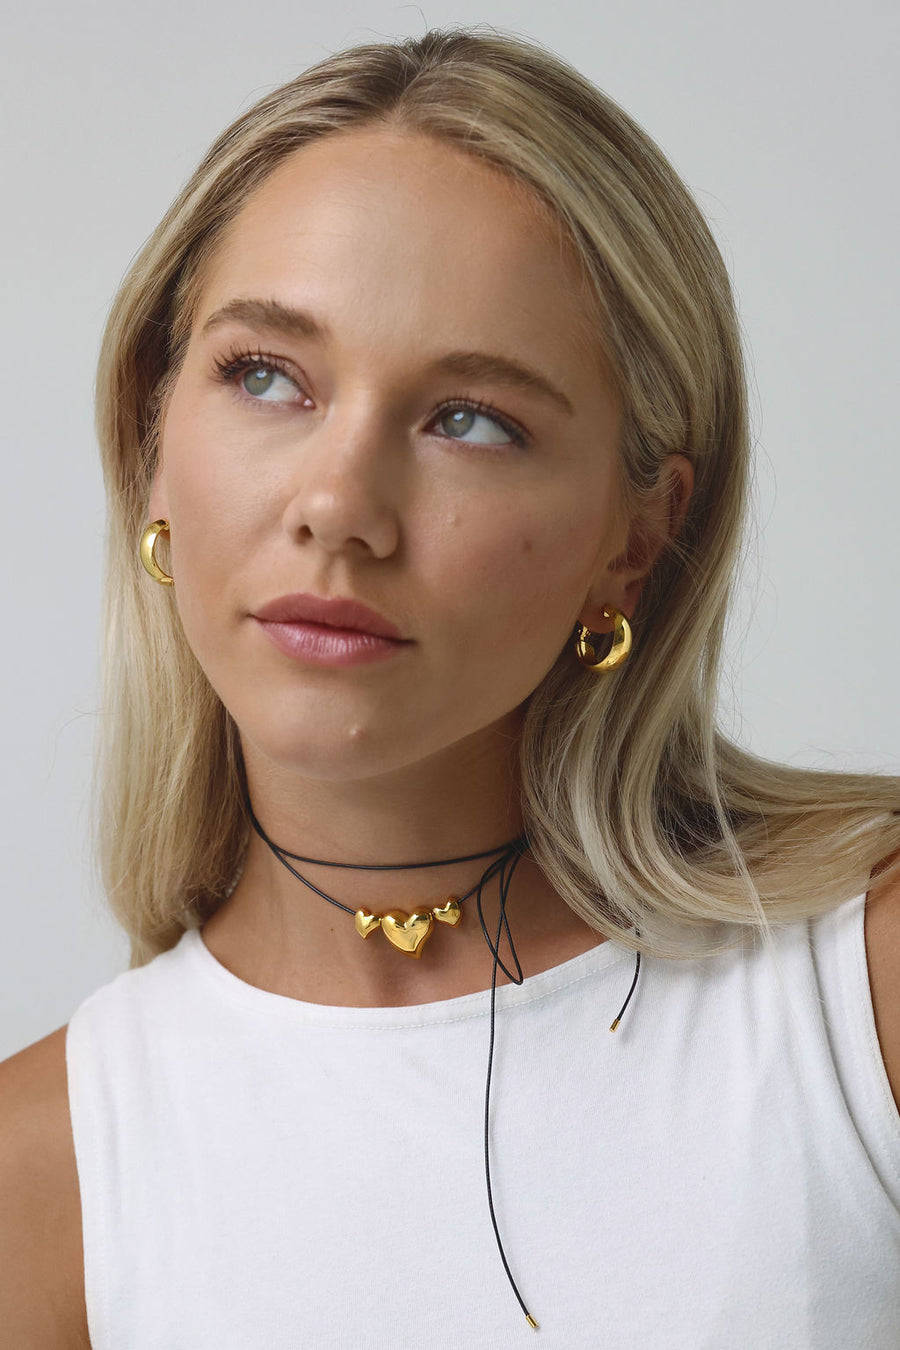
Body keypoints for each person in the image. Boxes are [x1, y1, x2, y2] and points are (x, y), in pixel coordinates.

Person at [1, 25, 899, 1349]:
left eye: (470, 416)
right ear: (149, 437)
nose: (339, 506)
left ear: (637, 534)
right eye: (266, 376)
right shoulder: (44, 1184)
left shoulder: (861, 1006)